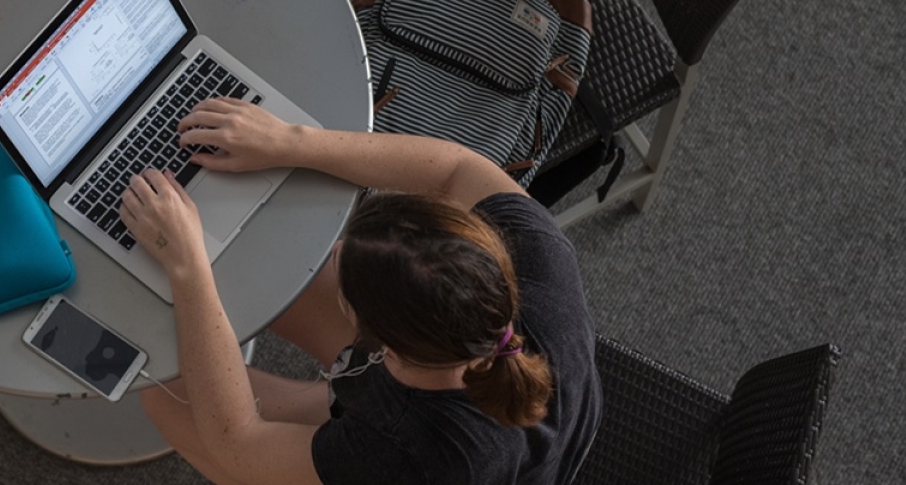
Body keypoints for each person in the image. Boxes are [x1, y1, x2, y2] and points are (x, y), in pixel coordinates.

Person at [119, 97, 600, 485]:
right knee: (265, 273)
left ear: (387, 347)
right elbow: (455, 168)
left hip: (429, 460)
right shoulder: (536, 258)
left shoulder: (408, 453)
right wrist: (292, 142)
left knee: (167, 393)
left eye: (350, 281)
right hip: (433, 412)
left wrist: (188, 268)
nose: (335, 249)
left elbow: (239, 444)